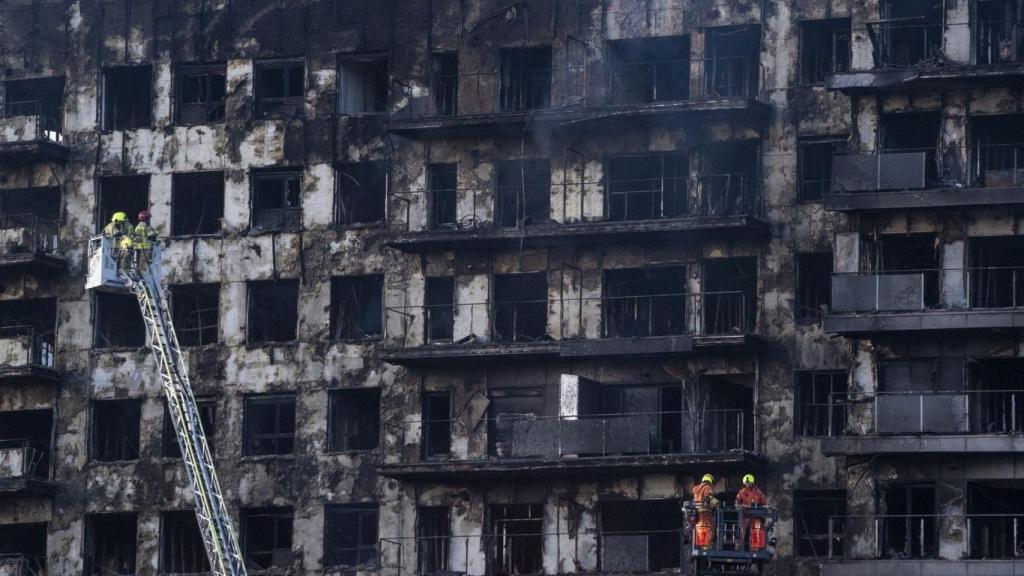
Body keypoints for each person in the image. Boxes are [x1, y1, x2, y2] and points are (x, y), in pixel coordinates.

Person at [735, 474, 767, 550]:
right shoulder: (741, 492)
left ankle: (754, 547)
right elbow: (737, 502)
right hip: (745, 514)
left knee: (755, 529)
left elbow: (764, 502)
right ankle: (739, 546)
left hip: (756, 515)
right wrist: (739, 506)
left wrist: (761, 507)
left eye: (749, 483)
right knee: (741, 529)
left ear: (752, 483)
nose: (747, 485)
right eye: (746, 483)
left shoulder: (758, 492)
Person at [691, 473, 719, 549]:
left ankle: (701, 544)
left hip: (697, 512)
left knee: (700, 528)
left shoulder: (696, 489)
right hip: (706, 512)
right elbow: (708, 496)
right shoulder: (707, 487)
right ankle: (707, 545)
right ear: (710, 481)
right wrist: (716, 503)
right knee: (710, 527)